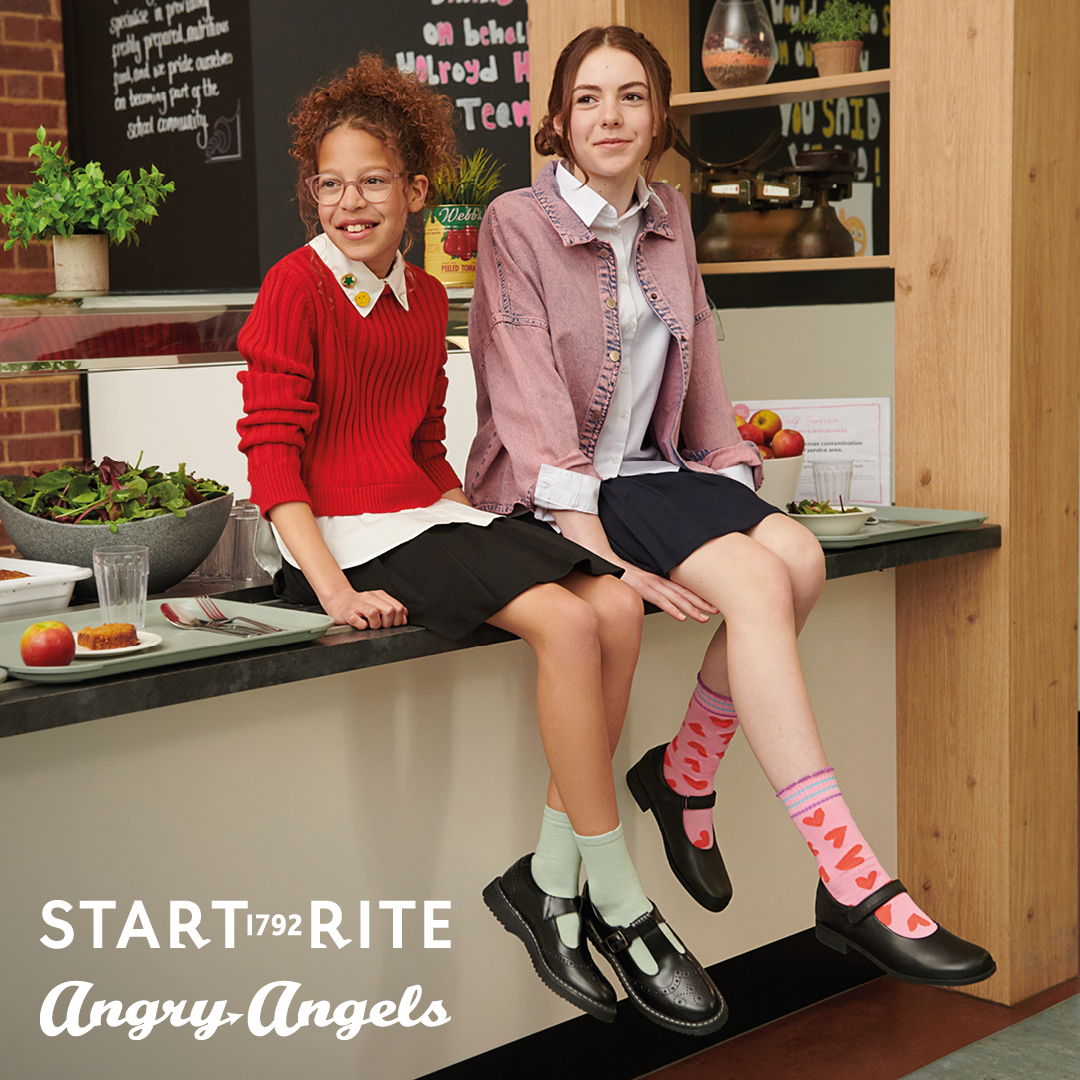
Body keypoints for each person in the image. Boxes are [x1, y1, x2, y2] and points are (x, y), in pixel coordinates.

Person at [466, 25, 995, 988]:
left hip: (657, 471)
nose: (610, 116)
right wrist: (591, 546)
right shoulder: (517, 221)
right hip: (564, 488)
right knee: (757, 580)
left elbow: (700, 359)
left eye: (631, 97)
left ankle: (683, 774)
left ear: (659, 117)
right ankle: (850, 876)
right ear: (556, 119)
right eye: (588, 98)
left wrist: (730, 476)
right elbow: (525, 389)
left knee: (799, 559)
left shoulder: (668, 212)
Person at [236, 54, 728, 1036]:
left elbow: (424, 446)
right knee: (560, 620)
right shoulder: (294, 288)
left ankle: (546, 882)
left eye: (373, 180)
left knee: (616, 603)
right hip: (340, 539)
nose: (349, 202)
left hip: (424, 514)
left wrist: (482, 525)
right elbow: (273, 459)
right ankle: (618, 897)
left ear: (416, 190)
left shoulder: (424, 300)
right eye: (328, 184)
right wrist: (329, 588)